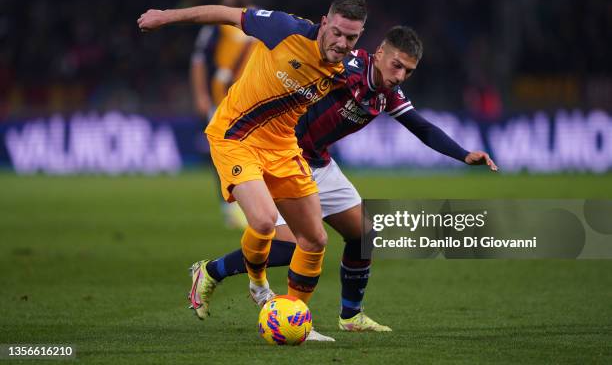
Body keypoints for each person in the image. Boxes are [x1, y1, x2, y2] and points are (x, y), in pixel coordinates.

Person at [183, 26, 498, 333]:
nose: (400, 75)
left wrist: (463, 154)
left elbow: (423, 128)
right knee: (288, 247)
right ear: (379, 54)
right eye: (397, 65)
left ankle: (351, 317)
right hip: (283, 160)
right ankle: (211, 272)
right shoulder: (343, 69)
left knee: (363, 234)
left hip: (318, 162)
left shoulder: (388, 93)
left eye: (408, 71)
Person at [138, 0, 368, 316]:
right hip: (235, 136)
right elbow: (224, 13)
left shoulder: (348, 68)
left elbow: (382, 84)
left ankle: (295, 316)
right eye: (338, 32)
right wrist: (165, 16)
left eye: (351, 37)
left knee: (313, 239)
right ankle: (259, 289)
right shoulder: (283, 28)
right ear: (325, 22)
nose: (342, 43)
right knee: (262, 221)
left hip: (282, 147)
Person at [190, 0, 258, 229]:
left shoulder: (257, 16)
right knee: (222, 152)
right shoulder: (219, 20)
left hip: (253, 97)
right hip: (223, 97)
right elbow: (198, 60)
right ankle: (229, 206)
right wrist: (200, 95)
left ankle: (253, 204)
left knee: (253, 151)